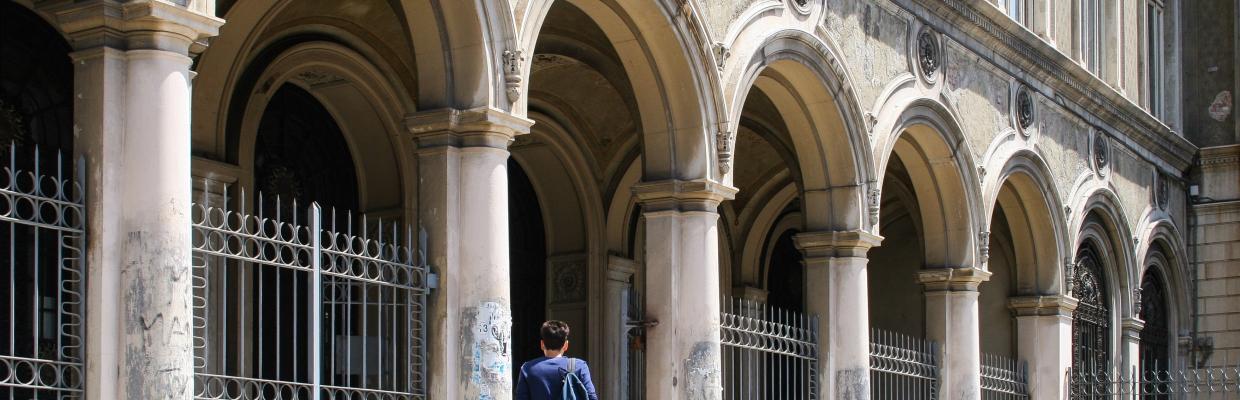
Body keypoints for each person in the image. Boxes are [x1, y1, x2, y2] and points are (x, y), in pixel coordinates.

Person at [515, 320, 599, 400]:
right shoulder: (579, 366)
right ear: (566, 345)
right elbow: (591, 396)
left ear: (542, 344)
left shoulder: (527, 368)